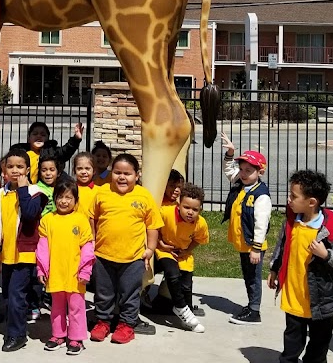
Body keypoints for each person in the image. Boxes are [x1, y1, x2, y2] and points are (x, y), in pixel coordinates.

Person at [269, 169, 333, 363]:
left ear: (311, 202)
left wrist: (326, 254)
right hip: (294, 297)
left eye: (293, 196)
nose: (289, 200)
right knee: (292, 343)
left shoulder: (332, 229)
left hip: (322, 301)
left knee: (318, 346)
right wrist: (274, 269)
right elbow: (282, 245)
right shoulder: (292, 220)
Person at [88, 152, 163, 344]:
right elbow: (92, 218)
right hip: (103, 256)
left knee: (129, 293)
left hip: (133, 257)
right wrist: (93, 242)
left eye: (127, 173)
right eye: (117, 172)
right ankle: (103, 321)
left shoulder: (144, 195)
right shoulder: (101, 192)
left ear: (137, 176)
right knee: (104, 293)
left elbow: (152, 225)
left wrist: (150, 249)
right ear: (111, 173)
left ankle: (127, 325)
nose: (122, 177)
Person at [0, 147, 49, 352]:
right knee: (8, 295)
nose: (15, 170)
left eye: (20, 166)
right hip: (6, 254)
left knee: (17, 296)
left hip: (25, 255)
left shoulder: (36, 193)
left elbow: (29, 214)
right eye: (10, 166)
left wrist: (23, 189)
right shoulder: (0, 194)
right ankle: (13, 327)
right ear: (4, 169)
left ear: (28, 169)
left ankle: (17, 335)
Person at [36, 180, 95, 355]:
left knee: (77, 308)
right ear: (54, 199)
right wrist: (41, 269)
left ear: (76, 201)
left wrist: (85, 271)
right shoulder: (47, 220)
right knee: (57, 307)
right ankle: (58, 335)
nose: (64, 201)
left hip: (76, 275)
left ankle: (76, 339)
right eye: (60, 197)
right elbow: (42, 248)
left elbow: (88, 247)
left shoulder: (81, 220)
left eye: (68, 197)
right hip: (55, 273)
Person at [221, 130, 271, 325]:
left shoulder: (261, 196)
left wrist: (256, 248)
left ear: (260, 172)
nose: (243, 174)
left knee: (253, 278)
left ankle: (254, 311)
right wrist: (230, 154)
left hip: (253, 246)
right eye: (241, 169)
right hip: (244, 243)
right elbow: (229, 171)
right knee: (247, 275)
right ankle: (251, 304)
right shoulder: (242, 184)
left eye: (248, 171)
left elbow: (261, 223)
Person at [153, 182, 209, 332]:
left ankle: (186, 312)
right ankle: (181, 308)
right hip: (164, 250)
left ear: (200, 209)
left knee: (186, 285)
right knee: (172, 274)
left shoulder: (200, 223)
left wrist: (186, 250)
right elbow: (153, 227)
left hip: (183, 254)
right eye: (186, 207)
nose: (190, 212)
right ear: (178, 204)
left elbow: (199, 239)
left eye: (195, 209)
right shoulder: (165, 212)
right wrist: (161, 244)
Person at [0, 122, 84, 187]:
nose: (39, 136)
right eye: (35, 134)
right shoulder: (19, 151)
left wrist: (76, 139)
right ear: (29, 138)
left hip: (43, 190)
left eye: (43, 134)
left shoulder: (51, 151)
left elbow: (65, 151)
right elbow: (1, 166)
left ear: (48, 138)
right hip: (21, 188)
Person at [72, 152, 98, 217]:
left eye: (87, 168)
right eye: (79, 169)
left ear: (94, 171)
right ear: (74, 171)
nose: (83, 172)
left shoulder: (99, 191)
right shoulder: (70, 189)